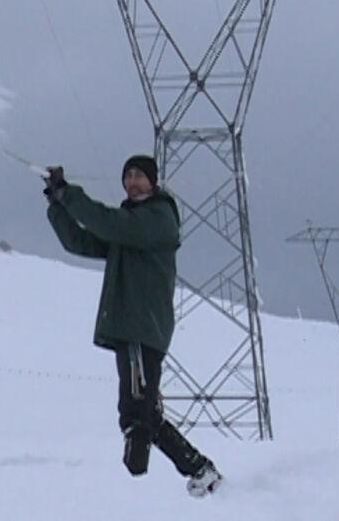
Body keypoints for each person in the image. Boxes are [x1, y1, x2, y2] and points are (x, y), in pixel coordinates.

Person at [43, 154, 222, 497]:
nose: (132, 182)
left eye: (139, 176)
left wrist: (69, 194)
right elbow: (80, 241)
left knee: (137, 414)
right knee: (143, 416)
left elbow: (110, 223)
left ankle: (144, 476)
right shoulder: (130, 226)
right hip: (130, 328)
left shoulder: (157, 218)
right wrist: (57, 204)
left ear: (153, 182)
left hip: (142, 326)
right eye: (128, 176)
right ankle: (201, 471)